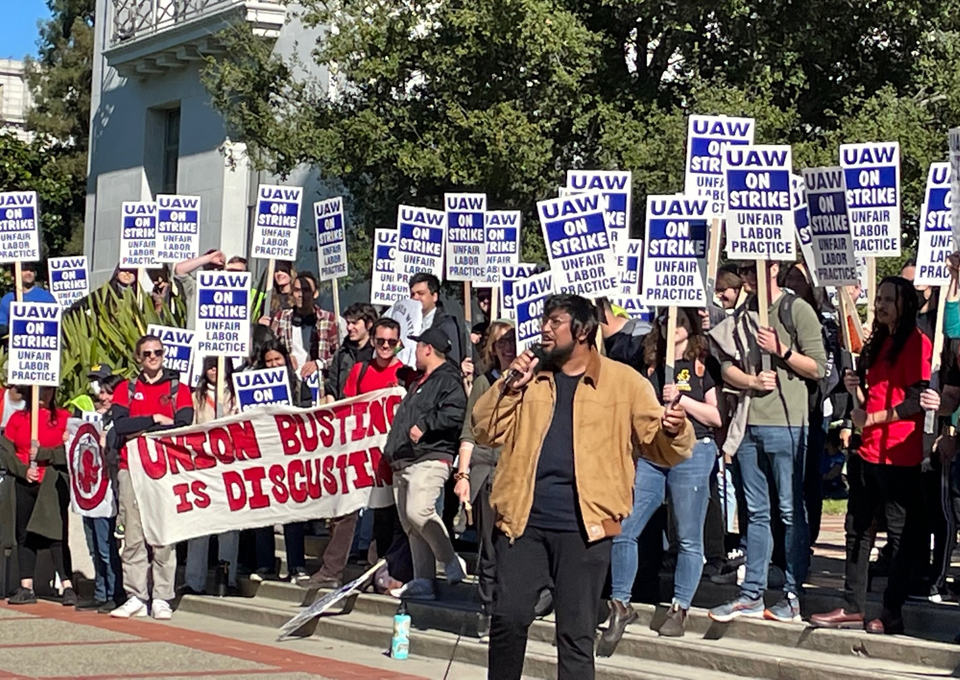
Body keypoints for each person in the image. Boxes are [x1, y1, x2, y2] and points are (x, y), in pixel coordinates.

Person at [472, 294, 693, 680]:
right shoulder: (531, 378)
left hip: (586, 527)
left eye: (555, 321)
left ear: (584, 331)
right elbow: (485, 429)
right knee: (508, 617)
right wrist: (510, 383)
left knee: (575, 633)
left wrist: (675, 428)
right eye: (544, 320)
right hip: (523, 521)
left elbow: (662, 446)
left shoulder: (624, 382)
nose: (544, 328)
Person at [811, 277, 939, 634]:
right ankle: (852, 605)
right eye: (878, 298)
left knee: (899, 535)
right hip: (867, 451)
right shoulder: (877, 341)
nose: (881, 305)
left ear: (906, 304)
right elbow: (872, 395)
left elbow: (916, 399)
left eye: (888, 300)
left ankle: (890, 610)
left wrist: (875, 418)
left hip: (900, 452)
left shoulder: (918, 343)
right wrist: (857, 390)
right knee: (857, 529)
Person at [708, 260, 826, 624]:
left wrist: (782, 350)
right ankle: (751, 593)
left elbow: (819, 368)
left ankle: (792, 593)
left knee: (790, 512)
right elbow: (725, 363)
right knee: (756, 514)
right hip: (748, 426)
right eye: (742, 269)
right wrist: (748, 381)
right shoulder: (743, 314)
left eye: (751, 266)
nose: (745, 275)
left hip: (786, 425)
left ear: (773, 266)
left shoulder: (796, 309)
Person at [599, 307, 722, 651]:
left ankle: (679, 606)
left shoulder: (701, 364)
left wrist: (684, 400)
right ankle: (620, 603)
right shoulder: (649, 363)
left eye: (682, 322)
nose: (676, 328)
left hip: (693, 451)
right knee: (625, 526)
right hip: (653, 452)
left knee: (686, 534)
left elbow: (716, 416)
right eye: (670, 321)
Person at [301, 318, 407, 590]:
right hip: (358, 456)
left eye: (391, 343)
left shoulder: (404, 375)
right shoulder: (359, 371)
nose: (385, 346)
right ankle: (331, 569)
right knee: (346, 511)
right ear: (373, 341)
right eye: (381, 341)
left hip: (387, 459)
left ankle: (374, 572)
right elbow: (347, 411)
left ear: (398, 344)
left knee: (383, 517)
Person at [110, 334, 194, 619]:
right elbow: (120, 426)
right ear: (138, 358)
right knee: (132, 535)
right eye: (147, 353)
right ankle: (136, 595)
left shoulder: (178, 389)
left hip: (163, 472)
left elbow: (183, 426)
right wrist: (155, 420)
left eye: (157, 352)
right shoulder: (126, 389)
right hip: (130, 469)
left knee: (163, 534)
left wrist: (142, 430)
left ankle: (162, 596)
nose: (153, 357)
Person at [382, 327, 468, 600]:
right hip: (405, 459)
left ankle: (450, 559)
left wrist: (426, 425)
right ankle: (423, 580)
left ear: (428, 348)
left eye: (418, 346)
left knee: (420, 512)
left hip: (430, 456)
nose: (415, 351)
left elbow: (455, 413)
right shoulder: (420, 381)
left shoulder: (448, 380)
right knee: (411, 523)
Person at [455, 320, 516, 639]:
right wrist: (463, 475)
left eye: (513, 341)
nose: (508, 347)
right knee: (489, 547)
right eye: (501, 342)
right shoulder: (484, 382)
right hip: (487, 473)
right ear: (492, 348)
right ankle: (488, 609)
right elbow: (469, 429)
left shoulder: (532, 383)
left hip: (517, 474)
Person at [0, 387, 75, 606]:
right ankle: (26, 586)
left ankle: (67, 584)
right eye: (39, 391)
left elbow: (70, 450)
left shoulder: (64, 418)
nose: (43, 395)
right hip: (25, 481)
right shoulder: (18, 419)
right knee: (24, 533)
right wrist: (23, 470)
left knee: (56, 535)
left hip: (51, 482)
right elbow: (6, 449)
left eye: (48, 391)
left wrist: (44, 454)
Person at [182, 357, 240, 596]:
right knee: (199, 527)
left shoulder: (238, 394)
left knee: (229, 528)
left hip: (231, 467)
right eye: (210, 366)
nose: (214, 370)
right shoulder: (196, 396)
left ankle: (227, 580)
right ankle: (194, 580)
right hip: (202, 467)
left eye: (219, 365)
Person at [256, 340, 313, 582]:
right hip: (263, 455)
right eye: (268, 361)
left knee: (293, 512)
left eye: (277, 359)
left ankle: (297, 566)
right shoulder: (253, 387)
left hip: (292, 457)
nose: (273, 365)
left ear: (287, 360)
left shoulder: (300, 387)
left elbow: (310, 417)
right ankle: (265, 565)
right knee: (262, 510)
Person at [76, 374, 124, 612]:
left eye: (109, 393)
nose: (103, 398)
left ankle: (115, 593)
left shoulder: (119, 421)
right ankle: (100, 591)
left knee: (106, 547)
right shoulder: (93, 419)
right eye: (102, 392)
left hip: (108, 492)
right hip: (89, 491)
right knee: (93, 545)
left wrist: (108, 446)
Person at [269, 273, 339, 379]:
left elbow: (339, 356)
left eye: (306, 290)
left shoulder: (329, 319)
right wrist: (285, 359)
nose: (301, 294)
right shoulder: (281, 318)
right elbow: (270, 350)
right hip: (289, 380)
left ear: (315, 293)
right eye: (297, 290)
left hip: (318, 383)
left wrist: (319, 364)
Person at [173, 250, 255, 328]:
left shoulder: (246, 296)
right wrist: (209, 258)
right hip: (198, 340)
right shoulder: (198, 287)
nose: (236, 275)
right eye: (232, 270)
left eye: (241, 272)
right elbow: (180, 270)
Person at [324, 302, 378, 402]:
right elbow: (332, 390)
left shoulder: (377, 354)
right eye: (348, 323)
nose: (349, 328)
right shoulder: (342, 353)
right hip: (345, 413)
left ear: (369, 324)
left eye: (354, 323)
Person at [409, 272, 467, 366]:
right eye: (412, 294)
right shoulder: (405, 322)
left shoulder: (446, 324)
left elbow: (453, 361)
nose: (415, 298)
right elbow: (400, 349)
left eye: (421, 293)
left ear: (434, 296)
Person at [0, 262, 57, 337]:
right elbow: (2, 324)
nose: (29, 273)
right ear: (14, 274)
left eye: (31, 270)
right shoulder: (7, 299)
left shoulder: (46, 297)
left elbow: (55, 326)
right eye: (24, 269)